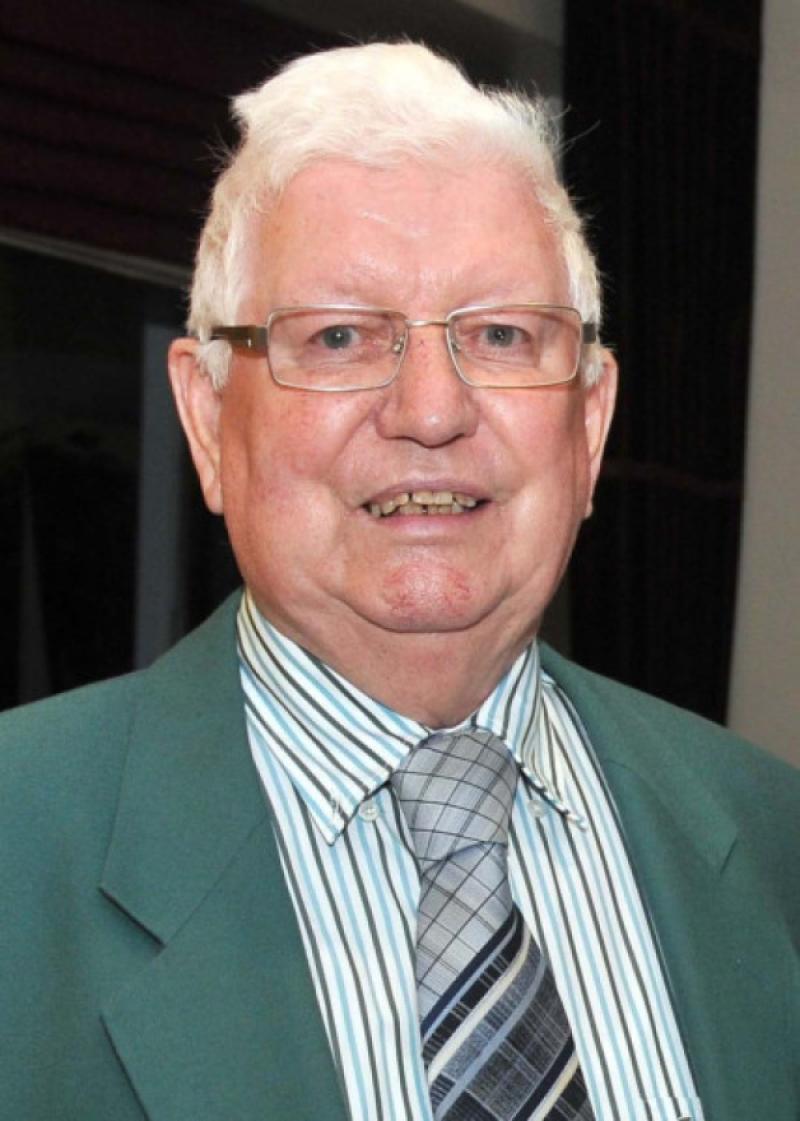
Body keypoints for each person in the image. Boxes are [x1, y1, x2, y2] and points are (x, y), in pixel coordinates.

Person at [1, 42, 797, 1121]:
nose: (430, 409)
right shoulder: (21, 841)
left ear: (590, 421)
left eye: (502, 333)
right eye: (338, 335)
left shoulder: (770, 837)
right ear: (205, 417)